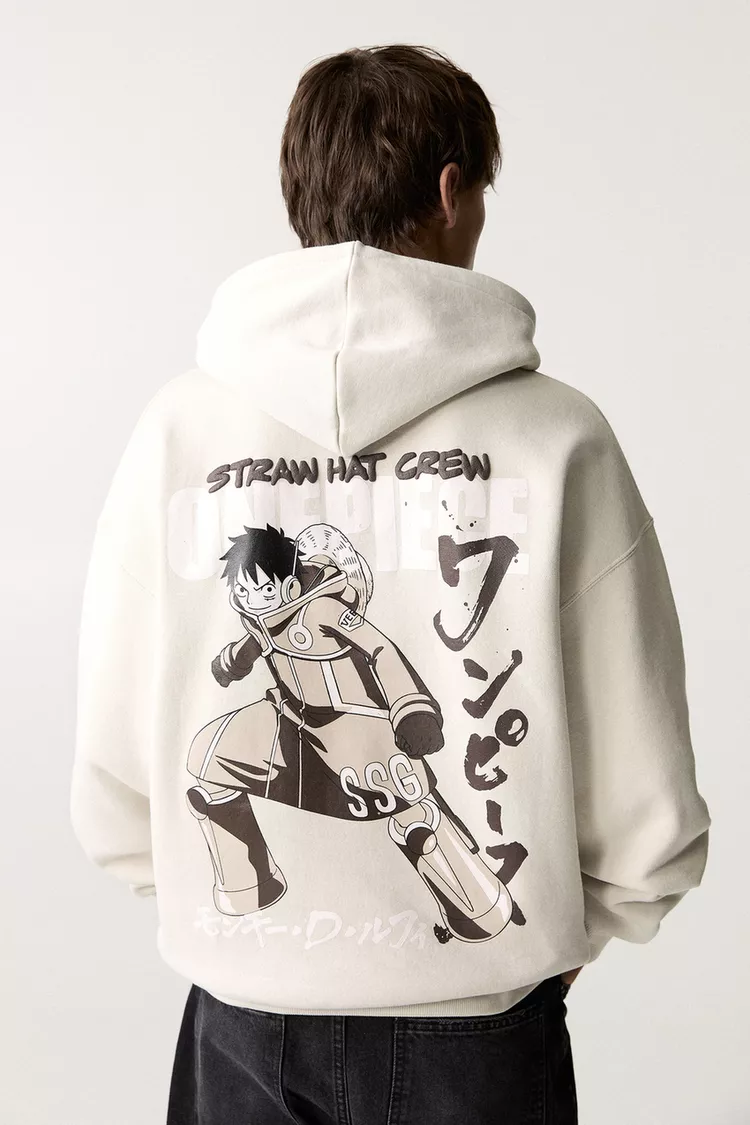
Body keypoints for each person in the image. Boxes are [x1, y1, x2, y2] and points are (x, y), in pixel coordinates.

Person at [70, 44, 711, 1125]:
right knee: (235, 758)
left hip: (247, 1013)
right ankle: (269, 882)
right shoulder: (558, 437)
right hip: (475, 1028)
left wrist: (238, 930)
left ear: (302, 192)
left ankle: (447, 897)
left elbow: (115, 765)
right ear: (453, 191)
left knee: (396, 793)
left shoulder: (177, 431)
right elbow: (639, 745)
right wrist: (578, 927)